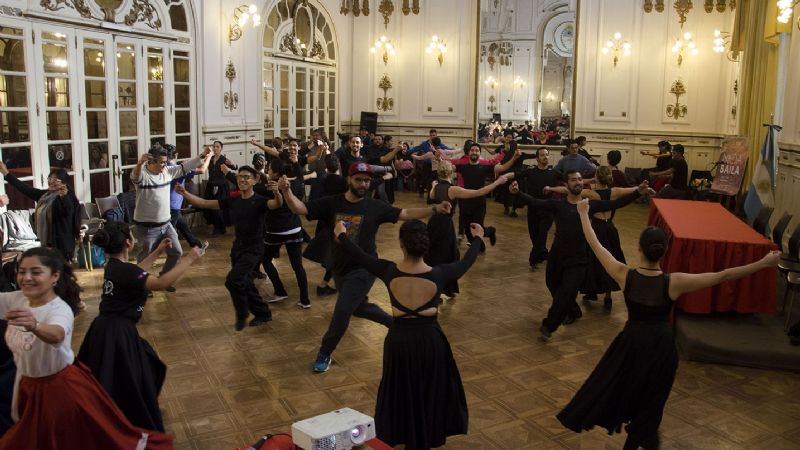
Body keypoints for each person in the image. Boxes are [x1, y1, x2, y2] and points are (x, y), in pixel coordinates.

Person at [557, 200, 780, 450]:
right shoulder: (674, 282)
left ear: (639, 249)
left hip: (631, 346)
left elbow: (595, 244)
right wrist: (763, 263)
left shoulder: (623, 275)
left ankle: (639, 438)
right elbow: (723, 275)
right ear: (663, 252)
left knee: (626, 392)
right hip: (662, 349)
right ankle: (642, 437)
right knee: (652, 402)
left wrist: (583, 214)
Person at [278, 162, 452, 373]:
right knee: (358, 307)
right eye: (359, 179)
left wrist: (433, 208)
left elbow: (405, 213)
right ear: (349, 180)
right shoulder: (332, 203)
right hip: (340, 268)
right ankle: (396, 324)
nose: (363, 184)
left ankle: (325, 352)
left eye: (367, 181)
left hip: (365, 268)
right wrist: (286, 191)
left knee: (342, 310)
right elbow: (300, 208)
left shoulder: (374, 207)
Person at [334, 219, 486, 449]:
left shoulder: (387, 270)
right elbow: (466, 262)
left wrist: (342, 235)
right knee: (429, 390)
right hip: (430, 341)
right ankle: (424, 438)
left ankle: (403, 433)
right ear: (426, 245)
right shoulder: (441, 273)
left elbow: (359, 255)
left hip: (399, 342)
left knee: (401, 390)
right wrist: (477, 239)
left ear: (401, 244)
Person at [0, 247, 171, 449]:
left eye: (36, 272)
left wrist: (35, 326)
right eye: (22, 271)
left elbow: (56, 334)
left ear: (54, 276)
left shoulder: (59, 308)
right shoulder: (18, 299)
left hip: (57, 390)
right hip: (27, 387)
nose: (26, 277)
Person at [78, 222, 204, 432]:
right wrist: (189, 258)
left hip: (109, 328)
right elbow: (161, 283)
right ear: (128, 242)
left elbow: (136, 272)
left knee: (146, 367)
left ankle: (140, 407)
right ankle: (131, 418)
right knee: (132, 375)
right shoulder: (123, 270)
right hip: (116, 332)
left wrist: (157, 251)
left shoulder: (115, 266)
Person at [510, 172, 651, 340]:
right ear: (566, 185)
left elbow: (617, 203)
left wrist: (638, 192)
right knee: (552, 285)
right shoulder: (558, 205)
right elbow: (535, 202)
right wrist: (517, 193)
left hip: (578, 259)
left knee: (567, 290)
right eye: (573, 180)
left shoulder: (589, 205)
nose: (577, 182)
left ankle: (549, 325)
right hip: (557, 255)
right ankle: (574, 311)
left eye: (579, 179)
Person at [177, 166, 281, 330]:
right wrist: (184, 193)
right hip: (237, 248)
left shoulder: (260, 201)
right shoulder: (233, 200)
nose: (242, 180)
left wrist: (277, 192)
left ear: (255, 180)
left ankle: (242, 314)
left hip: (254, 248)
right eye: (240, 177)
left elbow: (276, 204)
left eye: (246, 177)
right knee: (245, 282)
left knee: (233, 280)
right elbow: (204, 203)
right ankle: (263, 313)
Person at [548, 167, 643, 309]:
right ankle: (608, 296)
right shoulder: (615, 191)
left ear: (597, 177)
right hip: (610, 229)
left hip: (596, 229)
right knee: (612, 259)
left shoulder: (590, 193)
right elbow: (633, 190)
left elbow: (565, 190)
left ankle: (591, 291)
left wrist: (550, 188)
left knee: (594, 262)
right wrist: (641, 188)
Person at [131, 143, 209, 295]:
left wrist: (201, 156)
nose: (164, 165)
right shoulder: (143, 175)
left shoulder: (167, 171)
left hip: (166, 225)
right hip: (146, 227)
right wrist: (139, 163)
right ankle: (142, 286)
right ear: (150, 162)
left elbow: (185, 167)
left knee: (176, 252)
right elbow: (135, 176)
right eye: (161, 162)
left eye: (165, 162)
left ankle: (163, 279)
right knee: (145, 259)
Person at [427, 161, 510, 297]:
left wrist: (433, 185)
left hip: (432, 224)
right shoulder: (452, 189)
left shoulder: (436, 187)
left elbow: (431, 197)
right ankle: (441, 289)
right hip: (444, 226)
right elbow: (479, 192)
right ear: (451, 173)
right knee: (448, 257)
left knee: (435, 255)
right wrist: (498, 182)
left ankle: (441, 288)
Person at [0, 163, 80, 261]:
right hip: (46, 244)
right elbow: (24, 188)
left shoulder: (67, 198)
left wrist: (64, 198)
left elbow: (68, 213)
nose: (51, 181)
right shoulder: (44, 196)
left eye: (55, 180)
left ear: (63, 183)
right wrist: (6, 173)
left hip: (61, 246)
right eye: (49, 178)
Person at [260, 159, 311, 309]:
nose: (267, 171)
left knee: (266, 260)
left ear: (275, 173)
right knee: (298, 266)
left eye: (269, 169)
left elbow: (254, 190)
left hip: (276, 230)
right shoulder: (294, 183)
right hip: (295, 228)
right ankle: (305, 299)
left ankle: (280, 291)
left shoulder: (270, 186)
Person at [304, 155, 348, 297]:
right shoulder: (344, 182)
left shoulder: (319, 182)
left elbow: (313, 204)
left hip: (324, 221)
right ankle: (324, 285)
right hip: (340, 222)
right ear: (338, 166)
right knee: (337, 255)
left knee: (333, 254)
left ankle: (328, 283)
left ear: (325, 167)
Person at [514, 148, 560, 269]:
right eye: (542, 155)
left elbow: (568, 183)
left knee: (542, 234)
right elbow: (515, 174)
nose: (545, 157)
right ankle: (543, 253)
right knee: (534, 235)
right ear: (537, 158)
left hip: (548, 209)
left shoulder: (554, 173)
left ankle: (533, 258)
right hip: (533, 208)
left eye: (547, 155)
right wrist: (501, 176)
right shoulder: (530, 172)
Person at [167, 145, 210, 252]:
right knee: (168, 235)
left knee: (183, 227)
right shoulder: (178, 170)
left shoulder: (164, 168)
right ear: (176, 155)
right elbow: (202, 169)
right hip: (173, 207)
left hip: (170, 206)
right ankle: (166, 254)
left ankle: (197, 246)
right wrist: (209, 156)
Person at [203, 140, 237, 235]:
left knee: (219, 208)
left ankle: (220, 228)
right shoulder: (210, 158)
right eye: (214, 146)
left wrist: (233, 164)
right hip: (210, 186)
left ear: (221, 148)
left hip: (221, 186)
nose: (215, 148)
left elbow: (235, 167)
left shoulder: (223, 159)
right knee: (210, 207)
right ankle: (216, 226)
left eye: (217, 146)